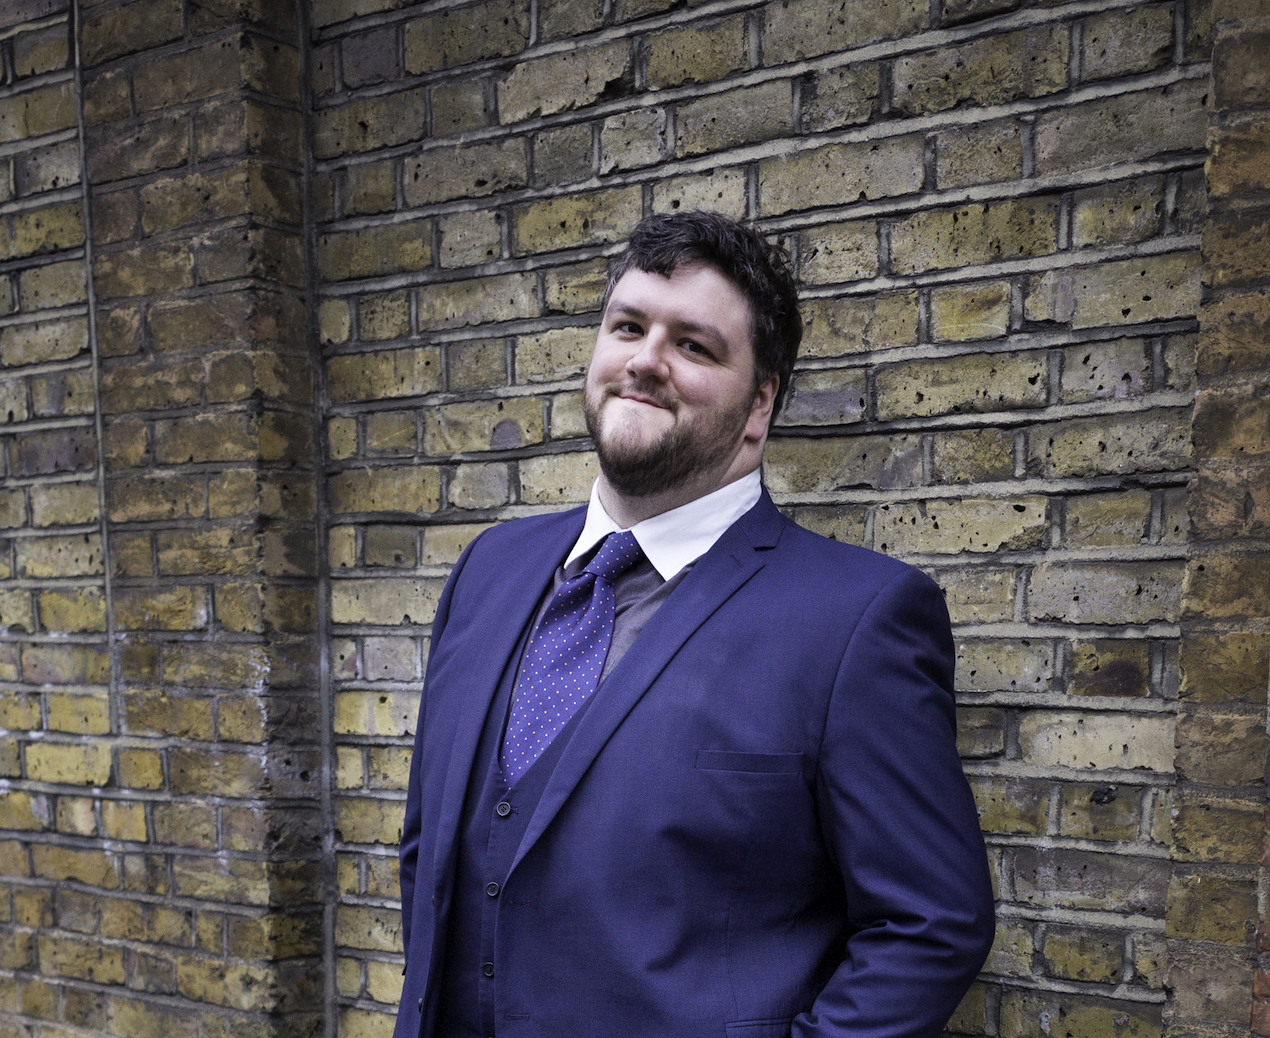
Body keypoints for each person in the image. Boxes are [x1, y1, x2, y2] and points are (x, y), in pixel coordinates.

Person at [395, 211, 995, 1038]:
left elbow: (929, 925)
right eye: (628, 327)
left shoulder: (857, 619)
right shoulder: (487, 571)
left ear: (759, 404)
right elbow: (431, 851)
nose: (646, 360)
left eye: (694, 345)